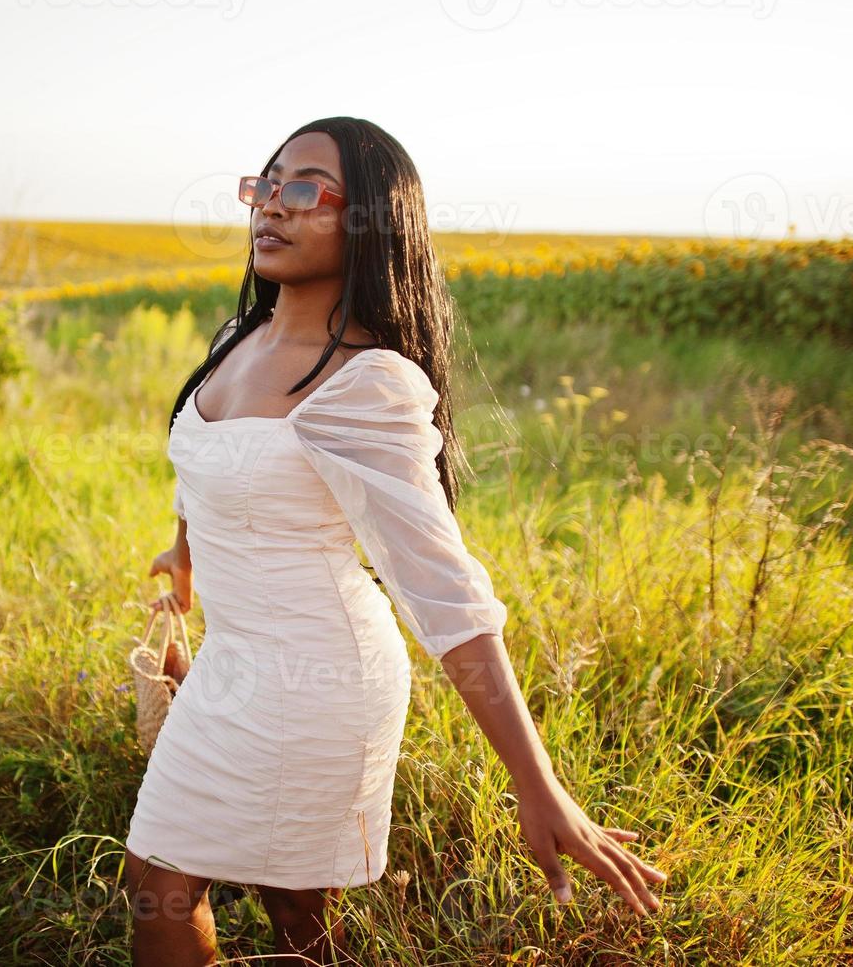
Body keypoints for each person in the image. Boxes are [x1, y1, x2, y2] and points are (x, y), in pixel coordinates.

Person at [123, 117, 666, 966]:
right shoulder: (239, 343)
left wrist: (538, 783)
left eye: (302, 189)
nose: (271, 205)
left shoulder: (364, 384)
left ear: (373, 220)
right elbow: (211, 463)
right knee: (286, 902)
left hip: (318, 678)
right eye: (263, 184)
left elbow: (444, 595)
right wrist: (183, 549)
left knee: (167, 884)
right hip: (233, 665)